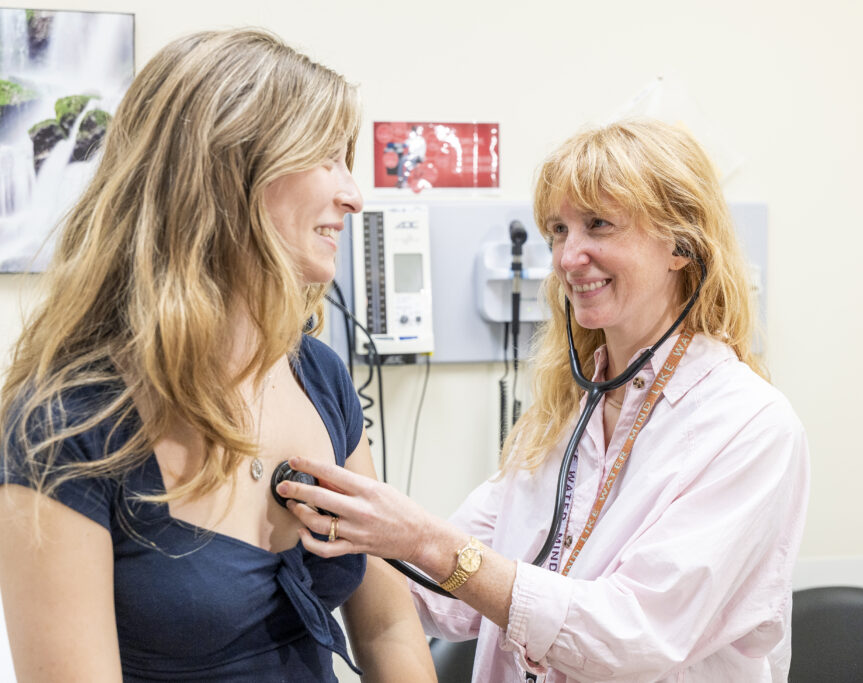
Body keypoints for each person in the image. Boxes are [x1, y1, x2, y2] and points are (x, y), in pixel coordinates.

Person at [279, 118, 810, 681]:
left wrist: (426, 541)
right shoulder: (566, 415)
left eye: (598, 225)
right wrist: (306, 534)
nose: (567, 257)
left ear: (681, 244)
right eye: (558, 230)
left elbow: (633, 638)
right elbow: (440, 598)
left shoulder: (749, 427)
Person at [0, 29, 435, 682]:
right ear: (230, 172)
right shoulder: (68, 425)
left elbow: (390, 627)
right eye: (326, 157)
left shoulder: (320, 377)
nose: (354, 194)